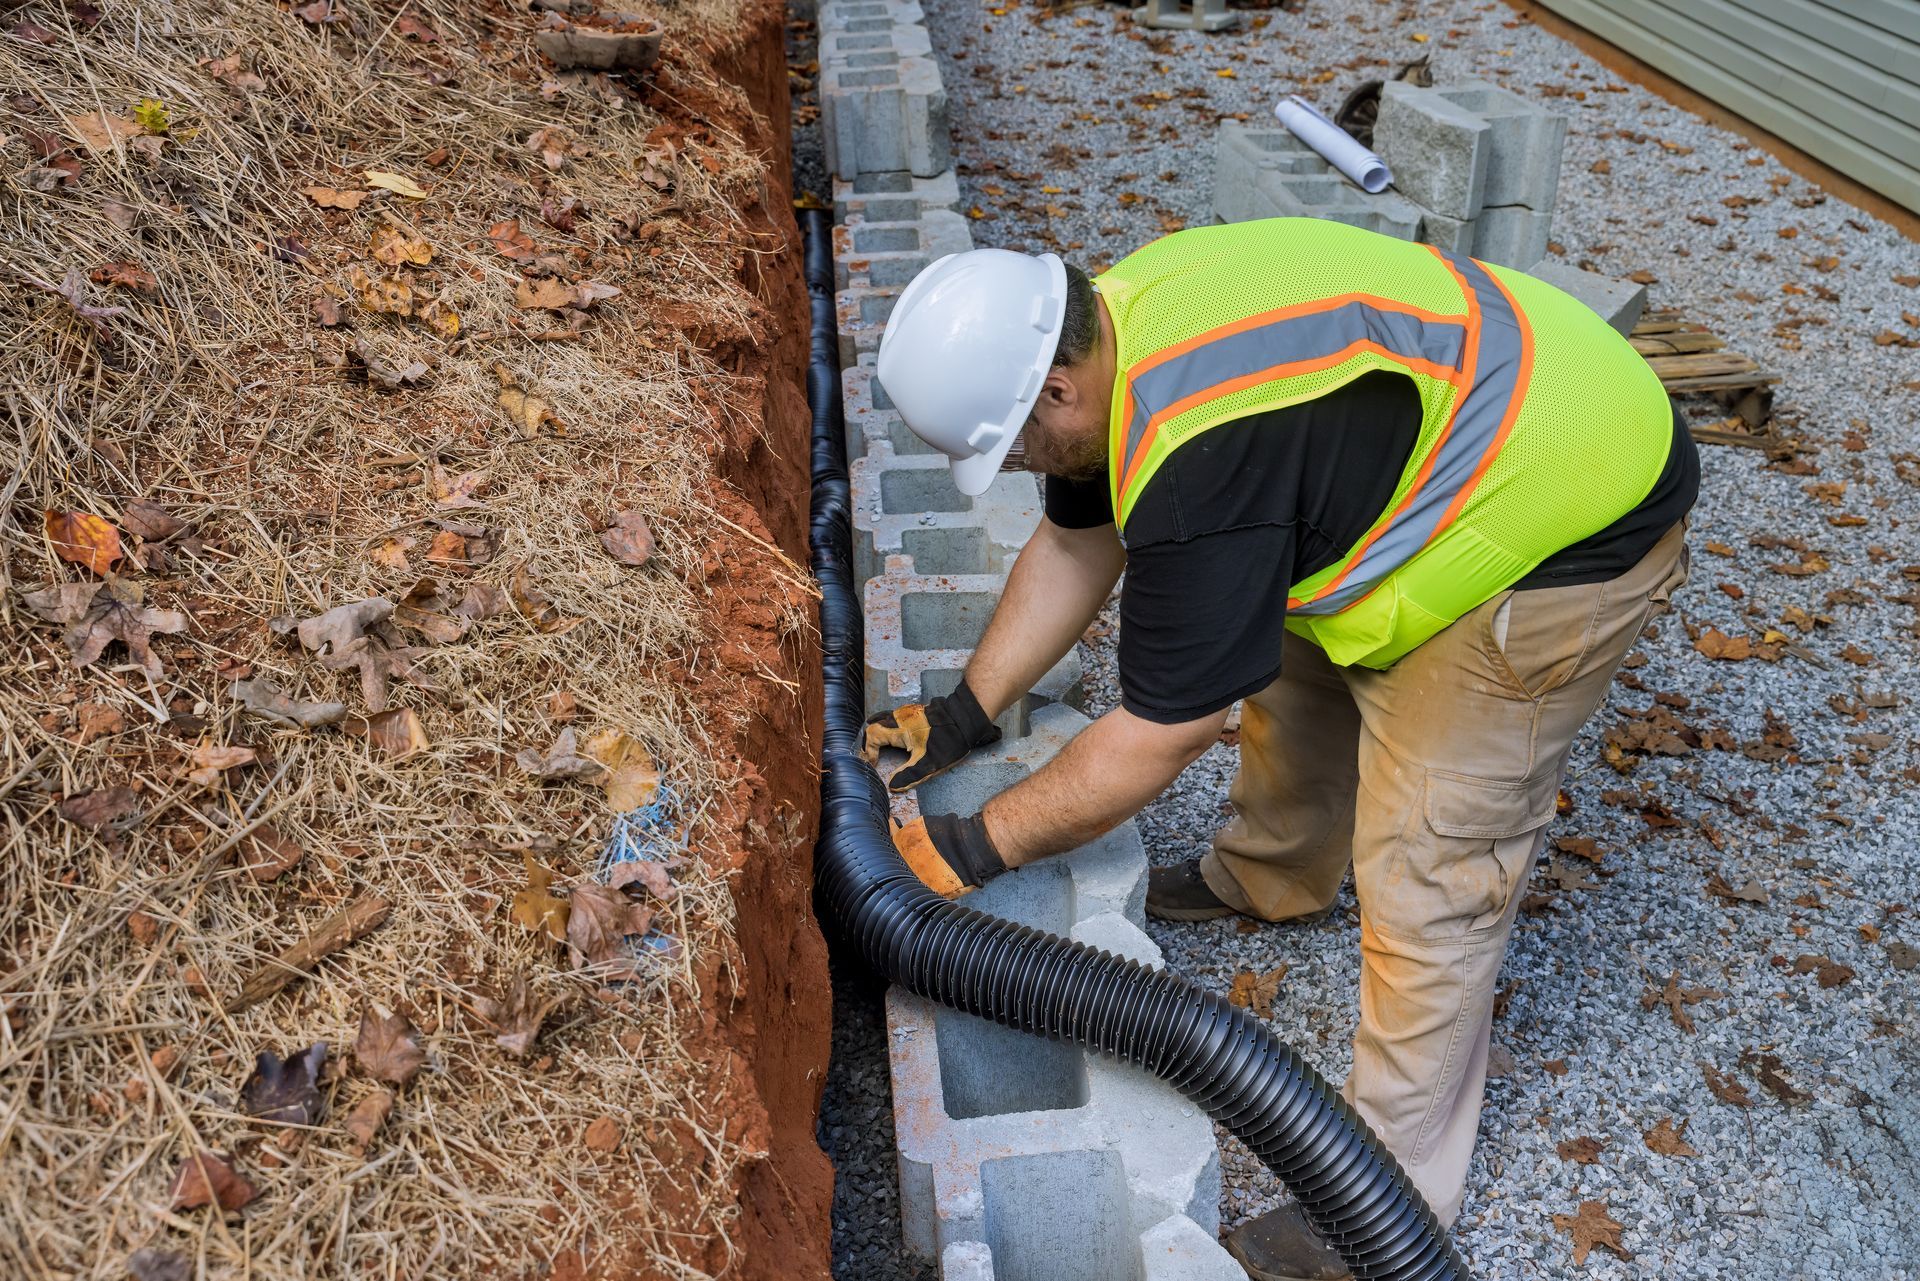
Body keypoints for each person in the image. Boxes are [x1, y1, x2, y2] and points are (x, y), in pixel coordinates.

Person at [864, 218, 1696, 1280]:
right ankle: (1273, 877)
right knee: (1291, 650)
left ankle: (1385, 1197)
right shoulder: (1105, 328)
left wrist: (972, 847)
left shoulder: (1201, 454)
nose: (1019, 465)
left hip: (1564, 507)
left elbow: (1161, 735)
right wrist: (965, 713)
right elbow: (1080, 539)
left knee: (1433, 857)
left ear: (1057, 391)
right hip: (1463, 425)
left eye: (1014, 444)